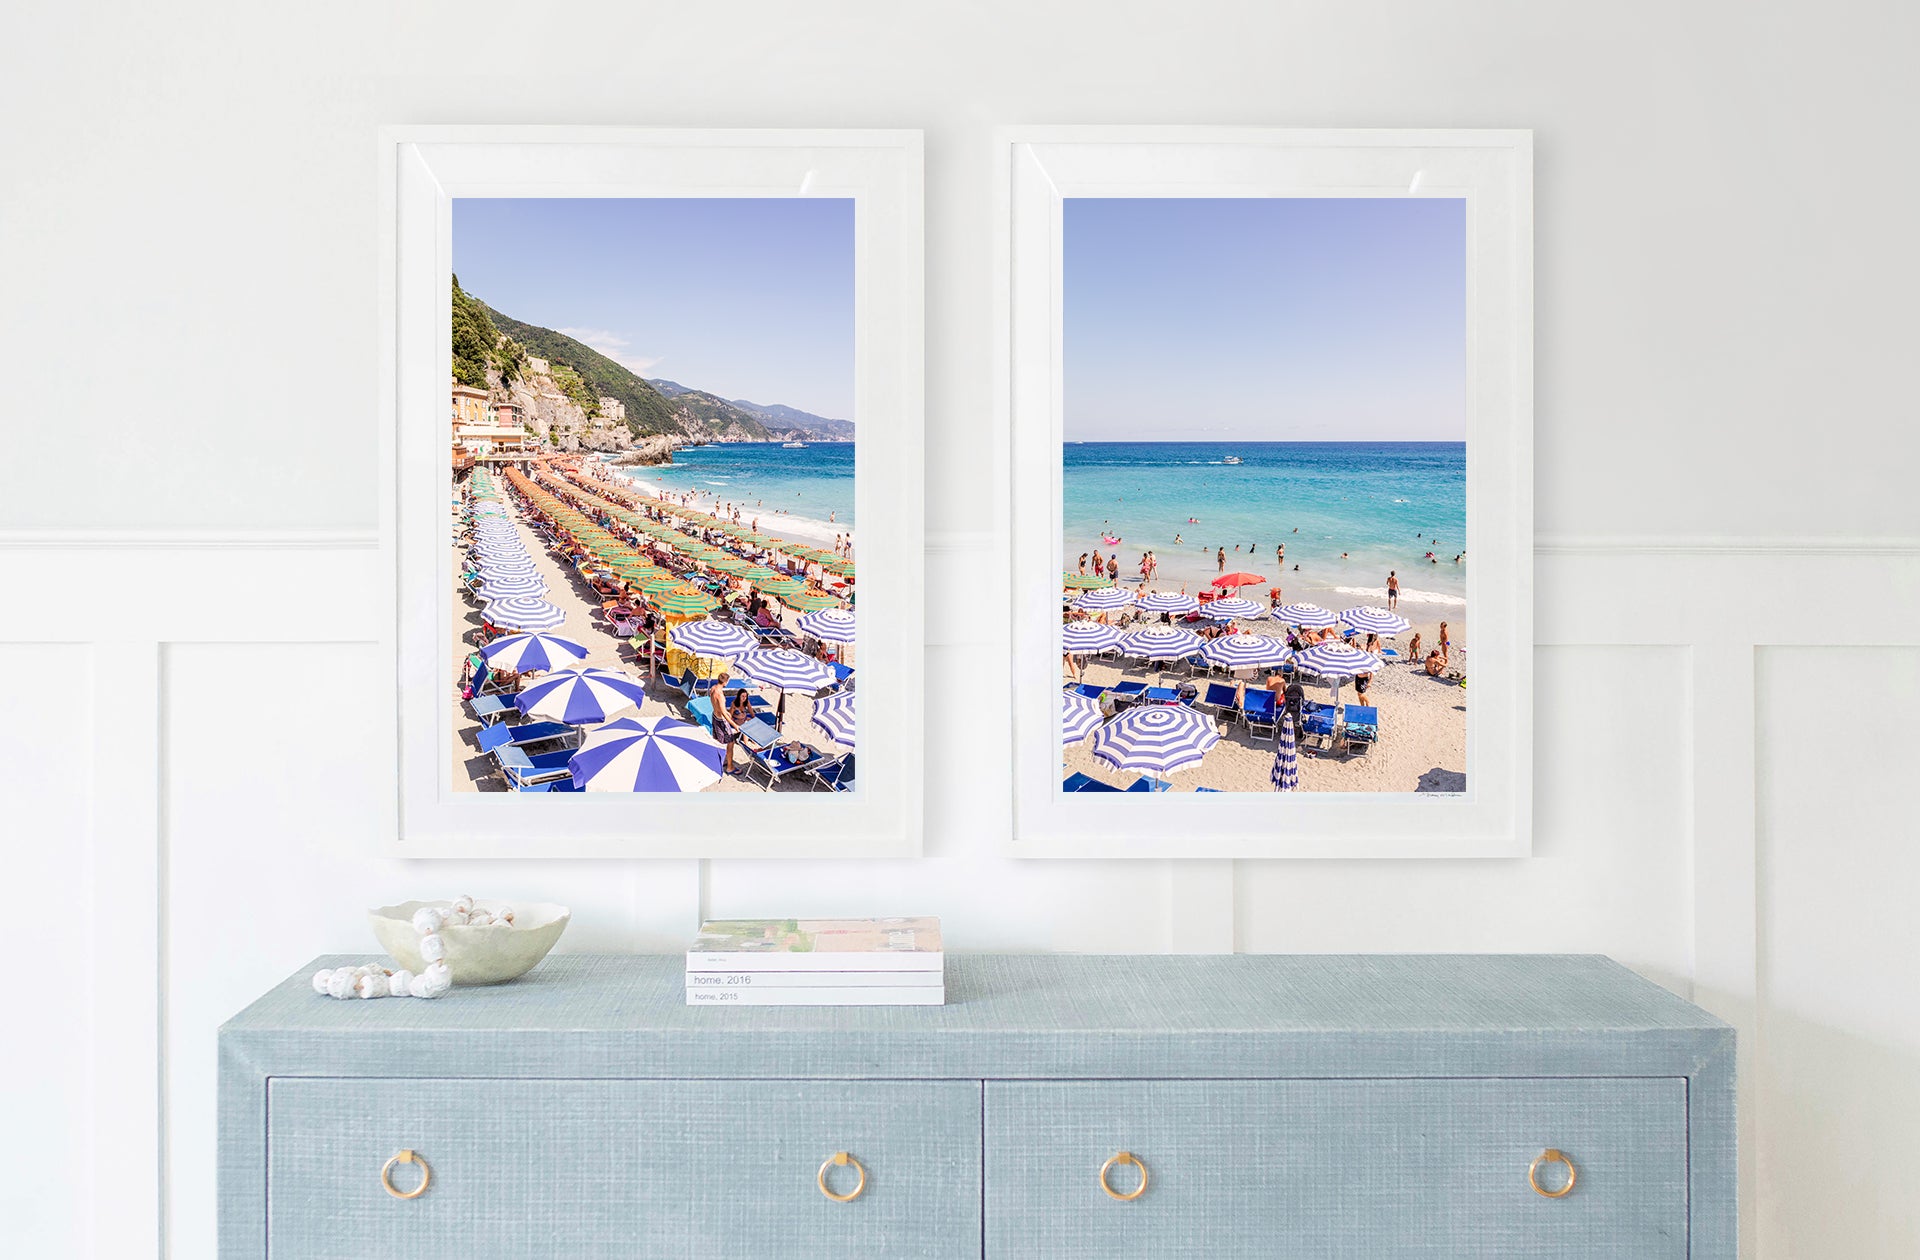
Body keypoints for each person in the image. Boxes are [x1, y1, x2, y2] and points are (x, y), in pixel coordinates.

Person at [709, 670, 744, 776]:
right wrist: (735, 725)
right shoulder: (719, 694)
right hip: (721, 720)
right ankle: (729, 767)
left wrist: (727, 713)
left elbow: (719, 708)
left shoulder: (713, 688)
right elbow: (723, 712)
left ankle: (719, 760)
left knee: (717, 740)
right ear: (726, 682)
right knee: (730, 743)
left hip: (715, 716)